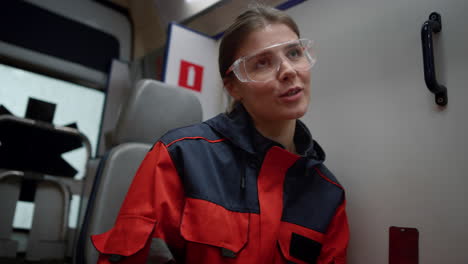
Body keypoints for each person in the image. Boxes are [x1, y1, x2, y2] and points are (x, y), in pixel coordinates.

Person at [91, 4, 349, 264]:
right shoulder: (179, 156)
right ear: (234, 87)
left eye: (294, 53)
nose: (288, 70)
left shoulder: (327, 193)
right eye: (262, 63)